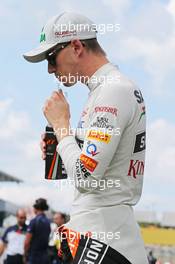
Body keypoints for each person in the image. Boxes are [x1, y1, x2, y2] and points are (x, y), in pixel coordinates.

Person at [23, 12, 148, 264]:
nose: (49, 69)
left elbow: (85, 177)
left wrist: (62, 128)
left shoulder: (112, 90)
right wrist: (64, 145)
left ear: (76, 46)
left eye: (51, 58)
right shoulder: (107, 90)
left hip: (104, 242)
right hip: (105, 237)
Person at [24, 198, 51, 264]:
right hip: (45, 256)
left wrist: (25, 255)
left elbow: (27, 242)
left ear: (36, 208)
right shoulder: (48, 222)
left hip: (34, 257)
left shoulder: (34, 221)